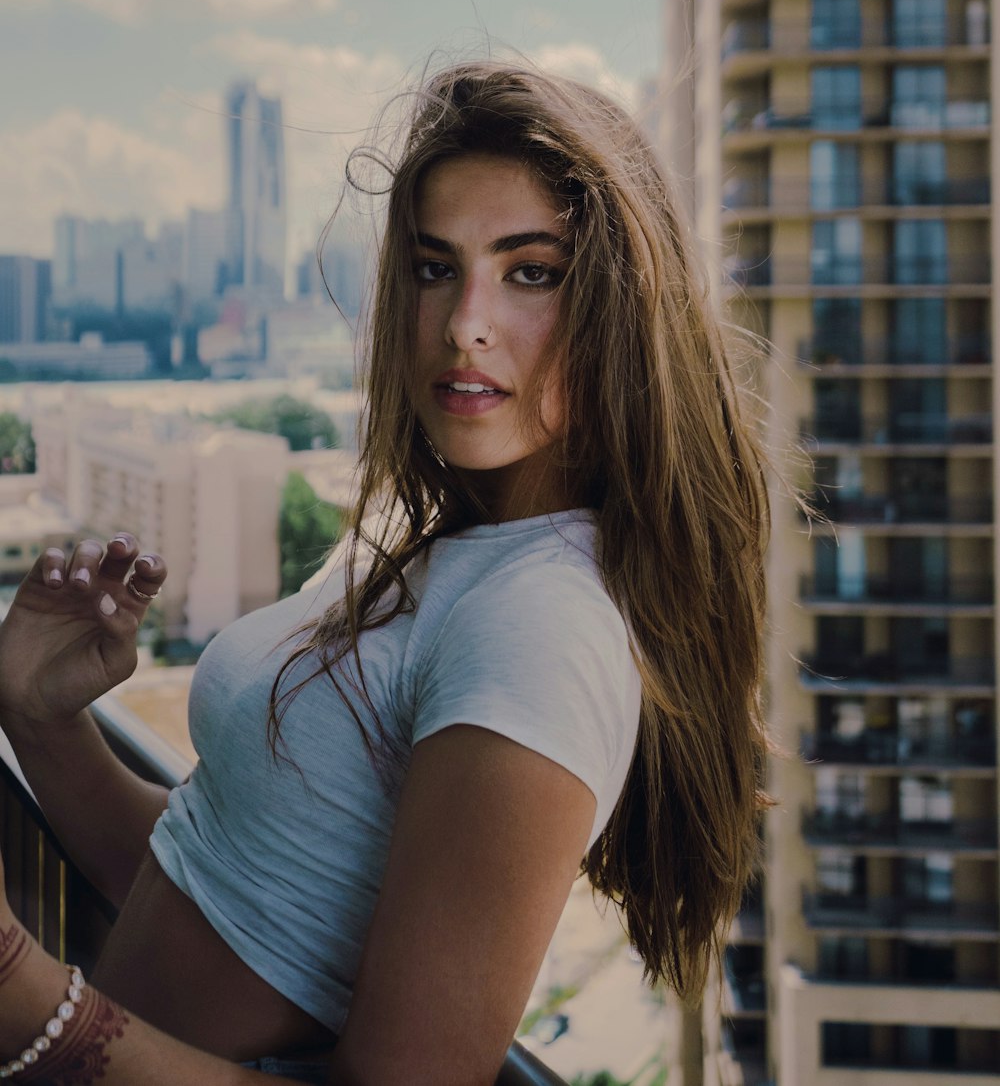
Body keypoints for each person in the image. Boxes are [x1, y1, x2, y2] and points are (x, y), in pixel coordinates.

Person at [0, 60, 771, 1085]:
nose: (464, 323)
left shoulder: (544, 624)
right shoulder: (418, 537)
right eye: (432, 266)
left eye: (529, 271)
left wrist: (26, 1004)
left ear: (620, 310)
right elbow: (225, 893)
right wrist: (43, 723)